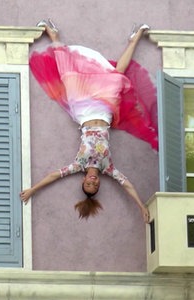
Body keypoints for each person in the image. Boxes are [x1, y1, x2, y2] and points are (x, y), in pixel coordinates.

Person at [20, 19, 156, 223]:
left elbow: (53, 176)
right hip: (103, 114)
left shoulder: (79, 164)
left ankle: (53, 35)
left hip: (83, 113)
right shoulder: (107, 166)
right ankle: (135, 38)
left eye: (88, 185)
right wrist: (141, 205)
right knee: (116, 76)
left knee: (68, 76)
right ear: (99, 183)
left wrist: (33, 189)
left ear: (83, 180)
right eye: (95, 185)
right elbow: (127, 184)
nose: (92, 182)